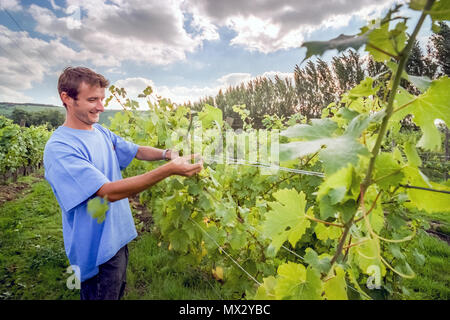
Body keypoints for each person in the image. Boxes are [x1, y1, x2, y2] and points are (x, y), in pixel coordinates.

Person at [43, 66, 203, 300]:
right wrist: (169, 170)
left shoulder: (100, 132)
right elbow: (106, 192)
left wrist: (170, 154)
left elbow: (136, 150)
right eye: (92, 99)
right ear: (66, 98)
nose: (101, 106)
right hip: (95, 252)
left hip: (118, 238)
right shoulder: (60, 148)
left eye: (102, 99)